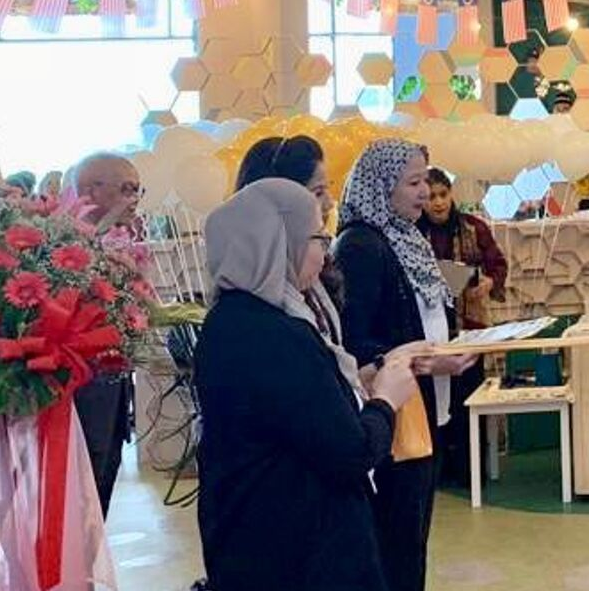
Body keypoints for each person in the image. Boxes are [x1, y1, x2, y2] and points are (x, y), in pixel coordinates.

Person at [195, 178, 423, 591]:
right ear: (278, 243)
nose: (324, 254)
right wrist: (386, 400)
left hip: (252, 535)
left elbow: (294, 411)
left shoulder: (228, 320)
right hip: (301, 546)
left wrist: (363, 378)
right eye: (318, 238)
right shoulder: (274, 333)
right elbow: (351, 451)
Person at [334, 139, 478, 591]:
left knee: (411, 540)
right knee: (396, 543)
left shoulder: (403, 237)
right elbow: (356, 342)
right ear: (380, 187)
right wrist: (424, 363)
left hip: (420, 407)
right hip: (392, 417)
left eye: (426, 180)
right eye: (413, 182)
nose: (423, 192)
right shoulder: (362, 245)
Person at [234, 135, 363, 398]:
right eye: (317, 193)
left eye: (328, 189)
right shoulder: (257, 297)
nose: (328, 203)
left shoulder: (313, 277)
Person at [65, 150, 144, 514]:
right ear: (90, 191)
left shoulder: (119, 243)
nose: (134, 200)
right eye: (127, 189)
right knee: (80, 498)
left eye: (138, 190)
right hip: (80, 391)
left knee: (103, 485)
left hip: (113, 384)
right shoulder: (61, 247)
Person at [418, 166, 506, 483]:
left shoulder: (474, 227)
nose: (438, 203)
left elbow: (498, 265)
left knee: (469, 400)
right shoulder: (413, 232)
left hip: (471, 329)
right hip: (431, 333)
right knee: (439, 402)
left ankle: (472, 473)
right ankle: (439, 474)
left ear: (451, 195)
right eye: (430, 197)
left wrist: (488, 283)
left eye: (443, 195)